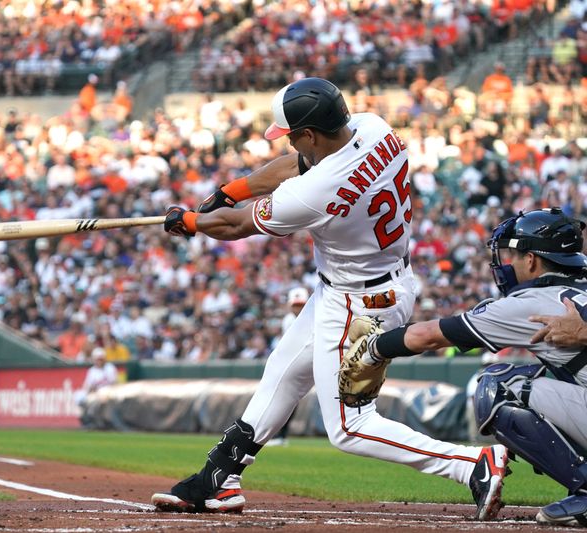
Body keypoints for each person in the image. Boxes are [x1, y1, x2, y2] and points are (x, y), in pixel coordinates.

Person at [152, 77, 507, 519]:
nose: (291, 141)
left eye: (293, 134)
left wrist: (190, 222)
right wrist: (227, 192)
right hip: (357, 285)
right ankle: (218, 479)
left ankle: (471, 464)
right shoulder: (373, 127)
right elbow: (294, 165)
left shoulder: (317, 190)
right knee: (283, 372)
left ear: (310, 133)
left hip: (363, 305)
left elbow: (236, 227)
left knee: (349, 426)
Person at [348, 208, 587, 527]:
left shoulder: (531, 302)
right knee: (537, 377)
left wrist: (374, 347)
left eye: (513, 255)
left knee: (498, 386)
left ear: (531, 260)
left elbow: (428, 337)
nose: (507, 263)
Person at [267, 287, 310, 447]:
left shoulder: (314, 317)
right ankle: (279, 435)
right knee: (284, 400)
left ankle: (280, 435)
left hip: (308, 362)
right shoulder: (288, 320)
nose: (298, 308)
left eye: (301, 305)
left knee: (288, 400)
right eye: (295, 305)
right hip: (293, 363)